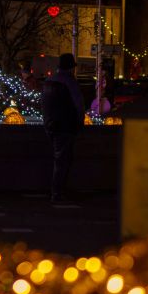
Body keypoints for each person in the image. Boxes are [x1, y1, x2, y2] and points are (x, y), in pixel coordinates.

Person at [41, 53, 85, 202]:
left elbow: (44, 105)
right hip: (66, 126)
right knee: (62, 160)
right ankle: (57, 192)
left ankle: (57, 190)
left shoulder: (49, 81)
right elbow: (78, 104)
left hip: (50, 125)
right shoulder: (70, 82)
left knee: (57, 158)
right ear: (71, 68)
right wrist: (80, 121)